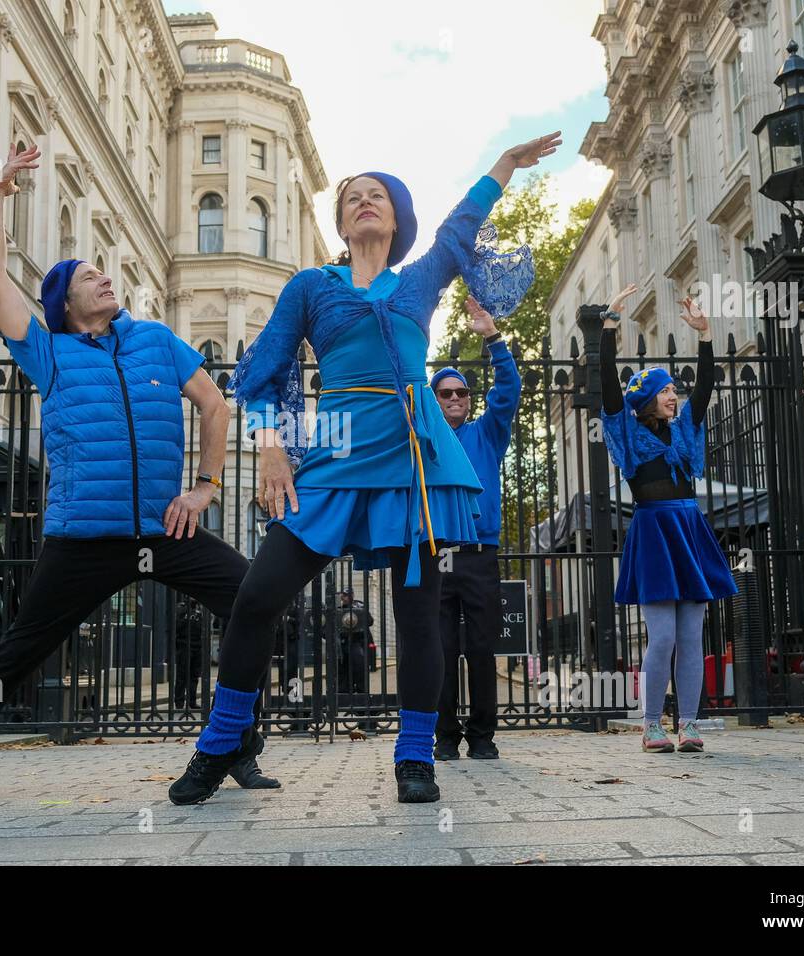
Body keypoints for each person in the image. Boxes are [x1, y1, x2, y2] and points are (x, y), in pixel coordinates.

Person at [167, 132, 560, 806]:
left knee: (418, 618)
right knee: (258, 597)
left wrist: (501, 167)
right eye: (352, 198)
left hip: (414, 459)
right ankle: (221, 741)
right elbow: (260, 376)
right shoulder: (311, 286)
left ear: (396, 218)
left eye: (376, 195)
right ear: (342, 222)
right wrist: (269, 446)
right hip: (336, 453)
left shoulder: (420, 280)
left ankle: (415, 757)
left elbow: (461, 227)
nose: (364, 202)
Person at [0, 143, 277, 801]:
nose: (105, 279)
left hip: (164, 532)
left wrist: (205, 488)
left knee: (254, 598)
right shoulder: (48, 352)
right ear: (65, 303)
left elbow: (215, 406)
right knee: (17, 654)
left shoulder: (156, 339)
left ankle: (236, 746)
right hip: (83, 539)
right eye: (89, 276)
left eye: (104, 272)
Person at [598, 284, 737, 754]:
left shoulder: (685, 432)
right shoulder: (627, 434)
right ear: (648, 400)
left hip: (689, 530)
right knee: (661, 639)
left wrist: (704, 336)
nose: (674, 397)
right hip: (655, 532)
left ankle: (691, 724)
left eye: (674, 390)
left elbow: (707, 386)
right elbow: (609, 391)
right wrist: (609, 327)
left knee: (691, 636)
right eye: (665, 392)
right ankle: (652, 724)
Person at [431, 295, 522, 760]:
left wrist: (492, 337)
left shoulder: (487, 433)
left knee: (482, 649)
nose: (454, 398)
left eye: (461, 392)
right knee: (441, 651)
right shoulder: (421, 438)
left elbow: (509, 389)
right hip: (435, 554)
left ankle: (483, 736)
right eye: (444, 393)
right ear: (433, 399)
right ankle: (444, 738)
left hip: (480, 553)